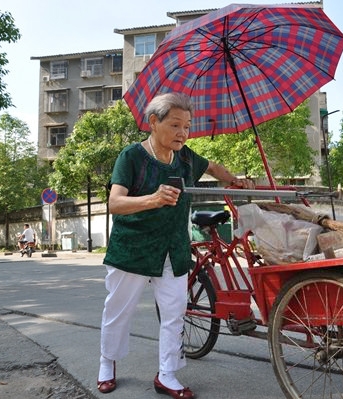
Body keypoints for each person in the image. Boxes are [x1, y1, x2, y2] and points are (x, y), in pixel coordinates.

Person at [97, 92, 254, 398]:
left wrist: (235, 181)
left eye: (188, 125)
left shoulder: (185, 157)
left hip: (174, 249)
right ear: (153, 122)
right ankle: (107, 363)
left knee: (174, 312)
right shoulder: (131, 157)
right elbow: (115, 203)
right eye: (175, 125)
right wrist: (153, 199)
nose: (183, 132)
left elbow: (213, 167)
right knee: (118, 311)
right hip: (133, 250)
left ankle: (167, 374)